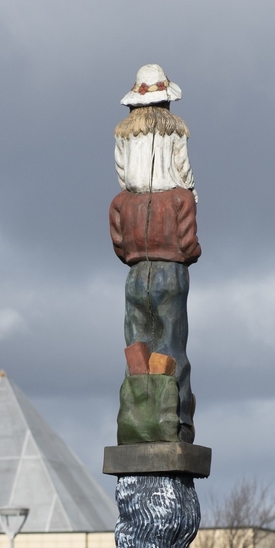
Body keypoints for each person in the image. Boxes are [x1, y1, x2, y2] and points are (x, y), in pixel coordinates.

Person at [110, 63, 200, 442]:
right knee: (170, 344)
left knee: (137, 346)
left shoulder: (121, 202)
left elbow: (118, 242)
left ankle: (139, 420)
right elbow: (189, 241)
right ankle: (176, 422)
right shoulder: (180, 197)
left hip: (134, 274)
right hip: (171, 270)